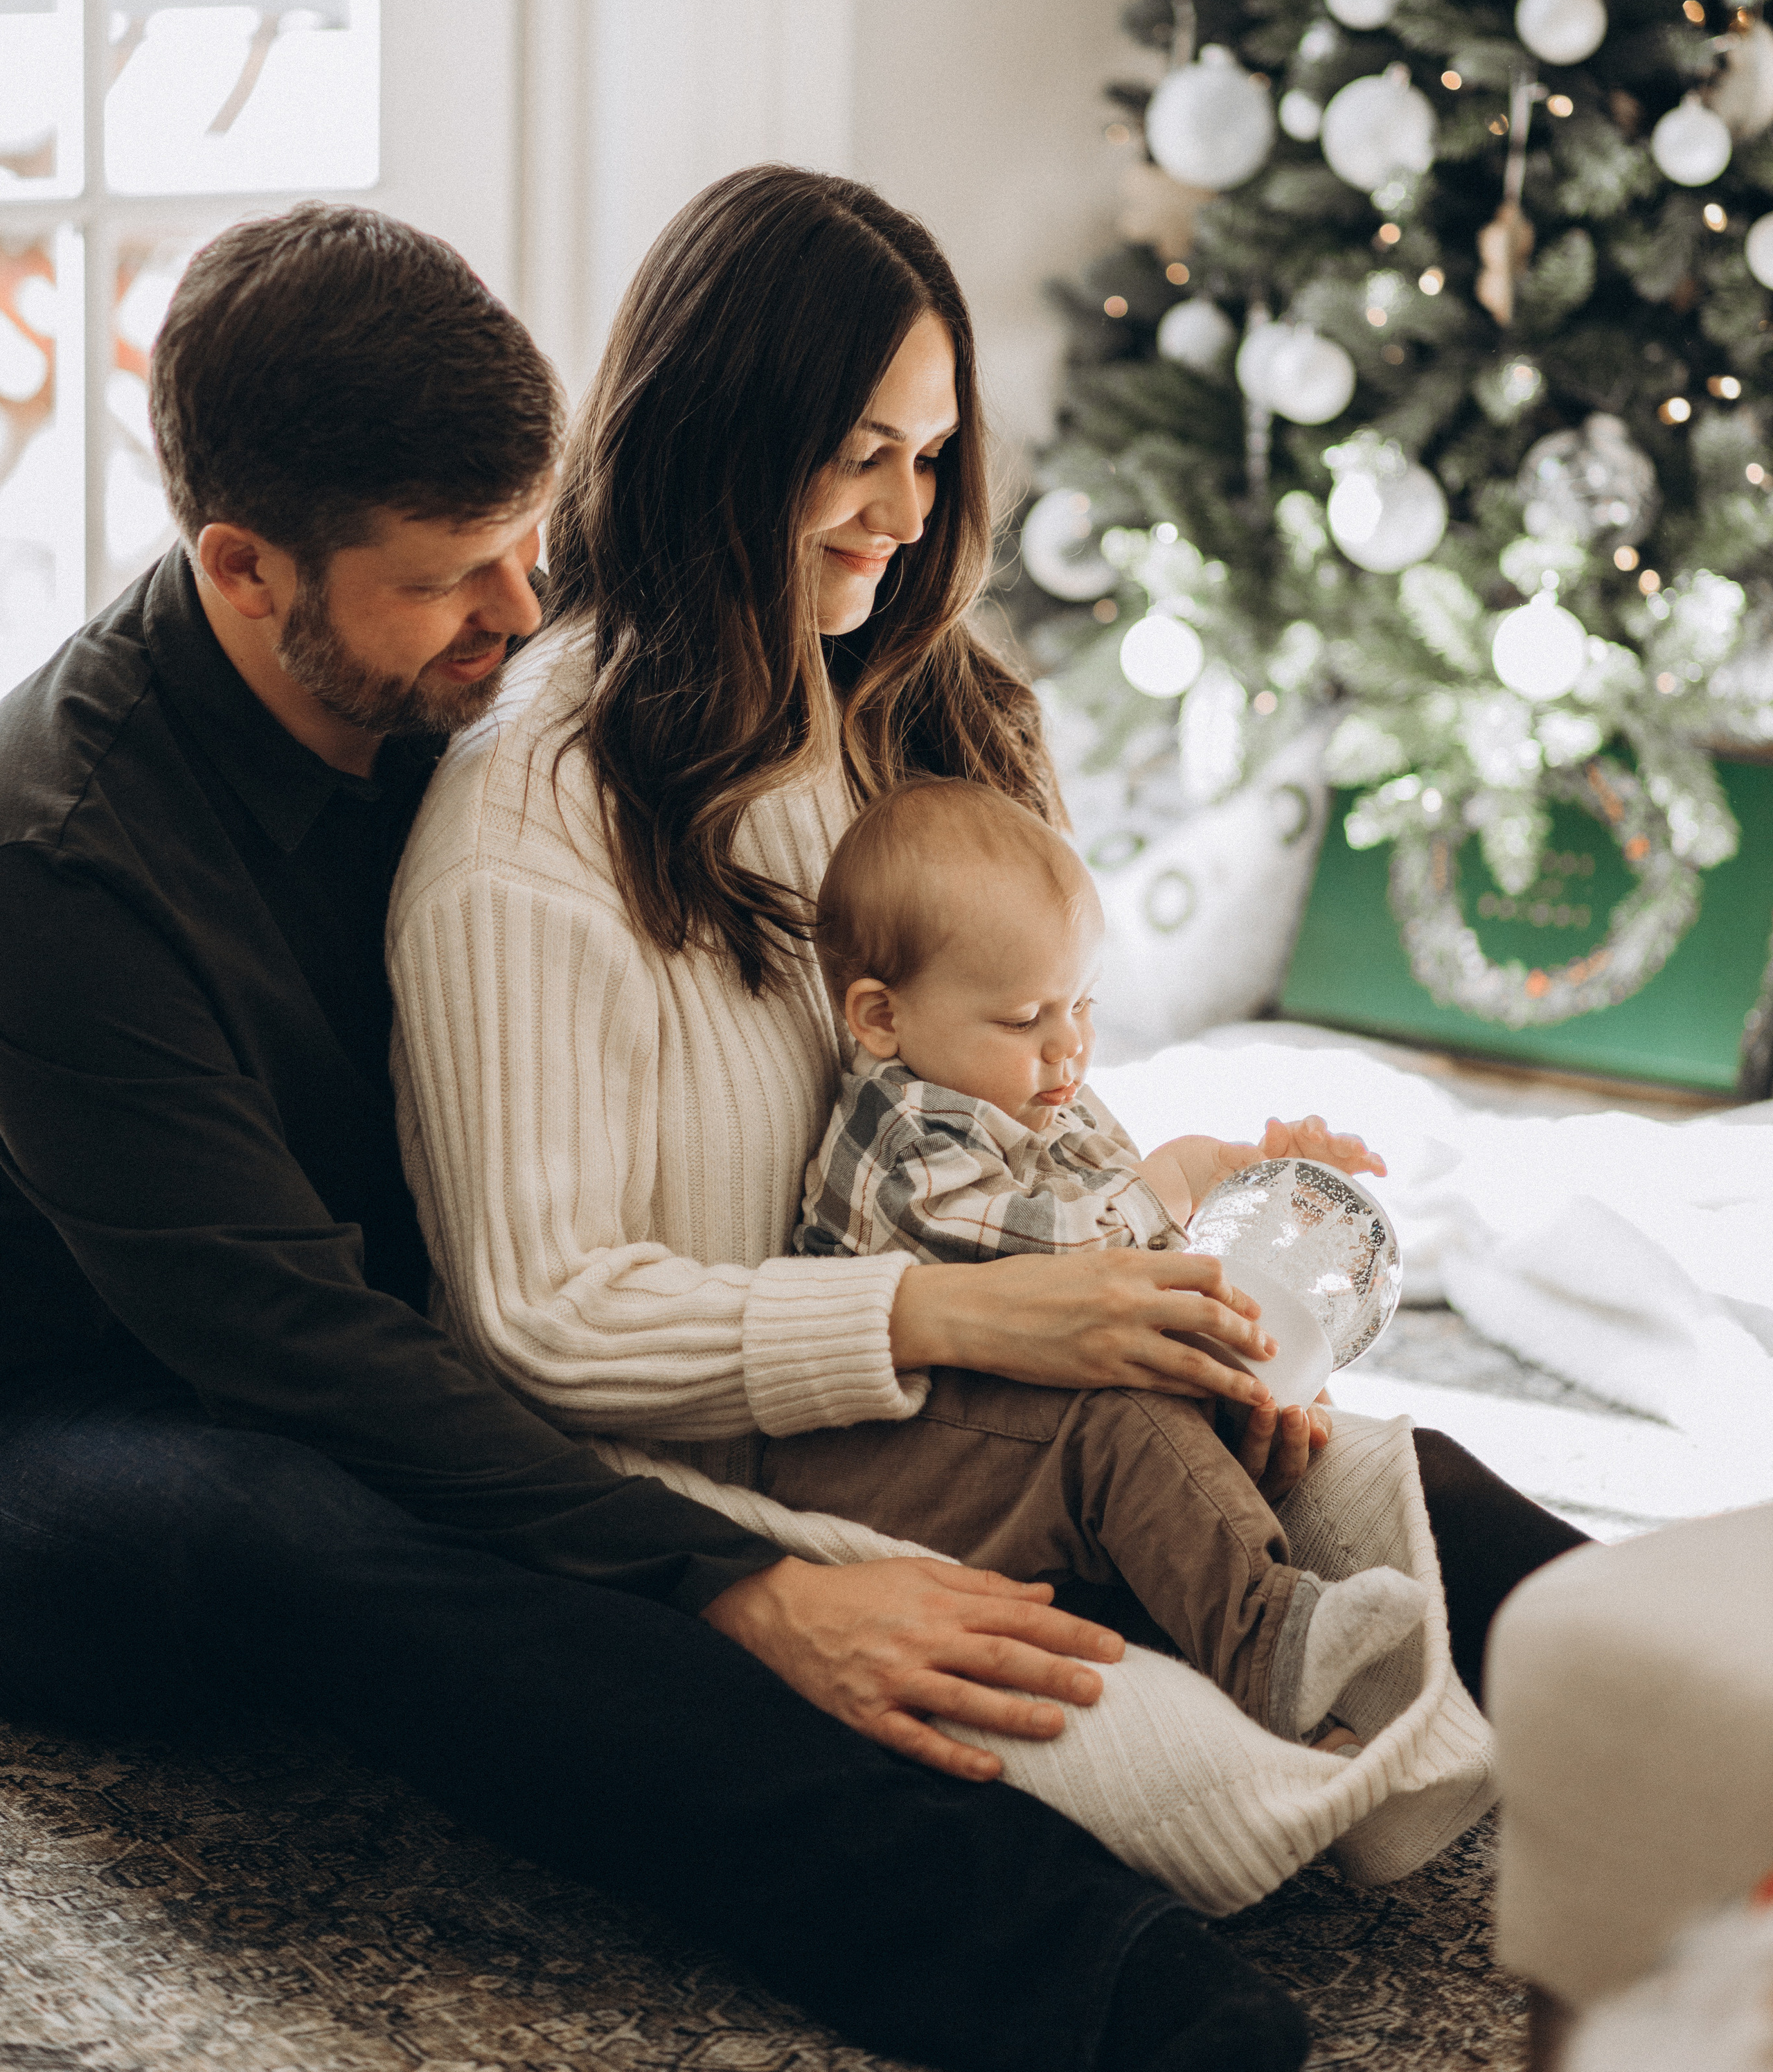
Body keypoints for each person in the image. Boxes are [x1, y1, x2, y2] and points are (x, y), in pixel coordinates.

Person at [0, 204, 1319, 2072]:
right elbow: (294, 1353)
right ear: (239, 570)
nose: (521, 612)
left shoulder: (470, 714)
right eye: (457, 576)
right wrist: (733, 1581)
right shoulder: (62, 862)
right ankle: (1091, 1990)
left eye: (529, 545)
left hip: (411, 1317)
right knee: (307, 1518)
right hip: (92, 1400)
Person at [388, 161, 1585, 1900]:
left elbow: (987, 1127)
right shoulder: (526, 830)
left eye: (930, 451)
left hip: (963, 1391)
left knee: (1397, 1492)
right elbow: (541, 1319)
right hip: (717, 1481)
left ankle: (1708, 1712)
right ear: (719, 438)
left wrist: (1177, 1251)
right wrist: (981, 1318)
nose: (899, 506)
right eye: (856, 449)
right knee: (1204, 1793)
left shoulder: (898, 701)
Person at [771, 772, 1428, 1746]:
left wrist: (1257, 1173)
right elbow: (1063, 1259)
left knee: (1195, 1395)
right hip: (876, 1456)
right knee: (1122, 1419)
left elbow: (1145, 1232)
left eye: (1082, 1005)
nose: (1068, 1049)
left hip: (988, 1427)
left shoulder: (1040, 1096)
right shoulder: (903, 1127)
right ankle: (1263, 1639)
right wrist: (1174, 1181)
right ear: (881, 1019)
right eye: (1024, 1018)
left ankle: (1243, 1643)